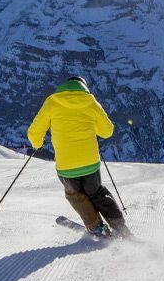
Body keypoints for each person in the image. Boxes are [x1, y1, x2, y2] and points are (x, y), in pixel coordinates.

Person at [27, 76, 131, 238]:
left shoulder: (52, 102)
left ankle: (97, 227)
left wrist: (38, 143)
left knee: (75, 196)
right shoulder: (90, 101)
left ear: (64, 86)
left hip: (66, 166)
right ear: (83, 87)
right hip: (90, 162)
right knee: (97, 193)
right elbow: (107, 131)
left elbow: (34, 132)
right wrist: (92, 126)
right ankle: (121, 228)